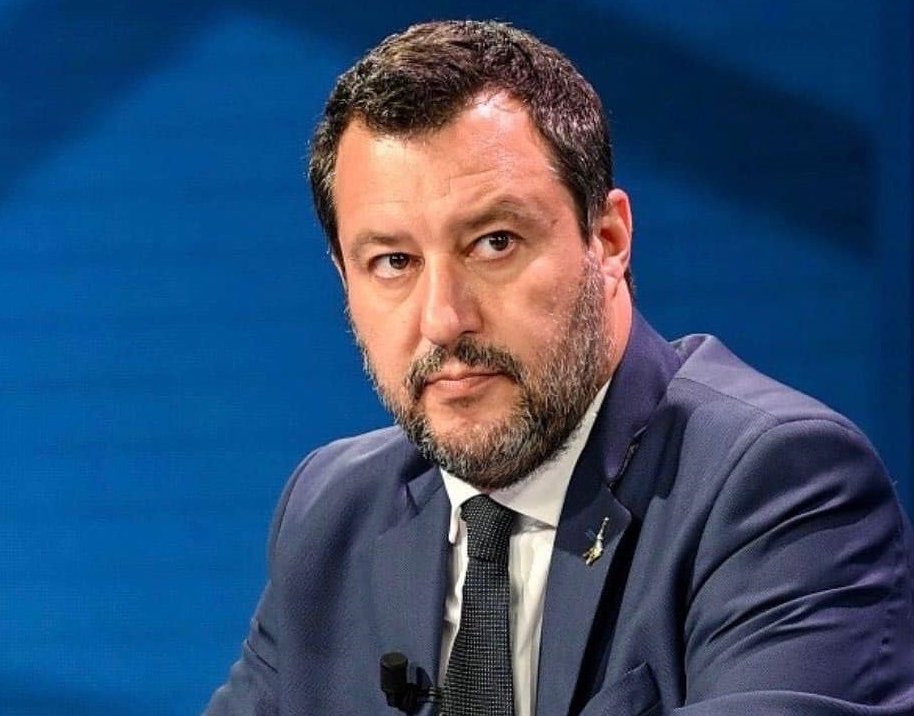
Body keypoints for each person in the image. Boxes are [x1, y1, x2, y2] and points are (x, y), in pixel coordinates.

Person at [203, 19, 914, 716]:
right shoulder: (331, 512)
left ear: (607, 239)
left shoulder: (778, 486)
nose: (443, 319)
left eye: (494, 242)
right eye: (393, 261)